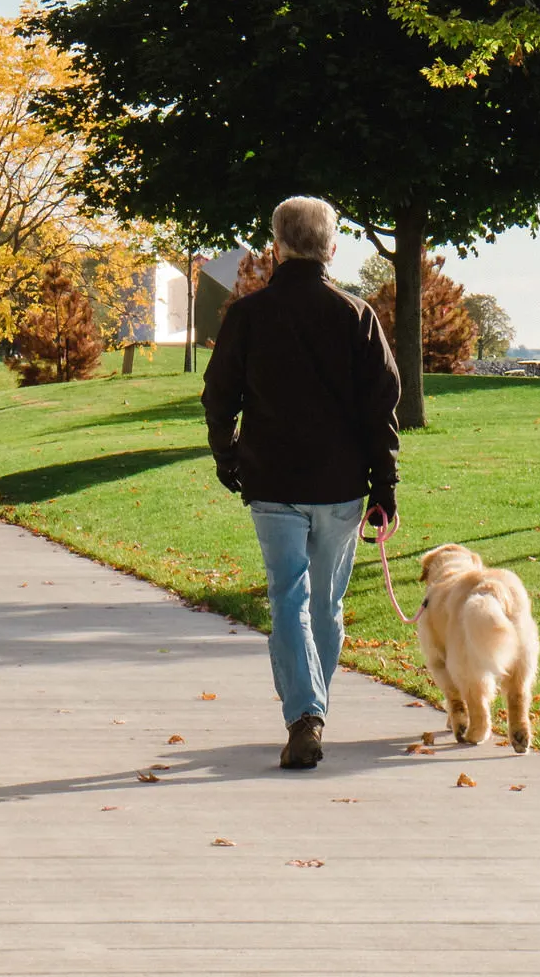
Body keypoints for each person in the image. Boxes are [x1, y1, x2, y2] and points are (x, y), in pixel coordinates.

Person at [201, 195, 400, 770]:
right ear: (331, 248)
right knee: (326, 603)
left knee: (289, 597)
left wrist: (227, 455)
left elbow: (219, 396)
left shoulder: (247, 316)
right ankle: (311, 711)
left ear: (277, 246)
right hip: (340, 485)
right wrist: (384, 486)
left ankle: (304, 715)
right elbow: (381, 406)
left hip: (272, 480)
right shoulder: (356, 316)